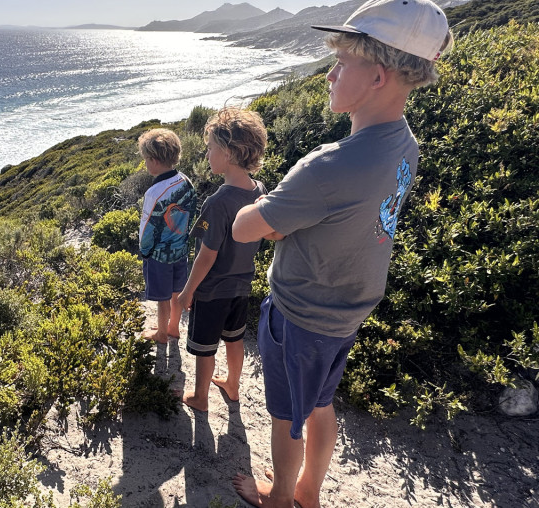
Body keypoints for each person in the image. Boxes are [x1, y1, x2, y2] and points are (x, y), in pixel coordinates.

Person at [230, 0, 454, 506]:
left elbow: (245, 228)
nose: (329, 75)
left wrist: (273, 216)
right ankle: (308, 490)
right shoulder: (405, 144)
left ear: (377, 76)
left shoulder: (327, 167)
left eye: (341, 62)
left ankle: (280, 497)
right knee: (320, 404)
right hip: (347, 311)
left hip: (301, 313)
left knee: (286, 416)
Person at [178, 107, 268, 412]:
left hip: (212, 290)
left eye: (210, 148)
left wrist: (188, 291)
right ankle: (232, 385)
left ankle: (200, 397)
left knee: (205, 348)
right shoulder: (259, 190)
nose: (207, 155)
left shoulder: (217, 203)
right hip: (241, 286)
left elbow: (207, 255)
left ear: (228, 153)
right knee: (234, 339)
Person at [138, 128, 197, 343]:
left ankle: (162, 334)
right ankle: (173, 327)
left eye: (146, 159)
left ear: (154, 160)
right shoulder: (186, 181)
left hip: (160, 254)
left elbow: (147, 229)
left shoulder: (154, 193)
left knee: (162, 297)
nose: (145, 163)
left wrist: (145, 252)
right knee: (176, 292)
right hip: (180, 248)